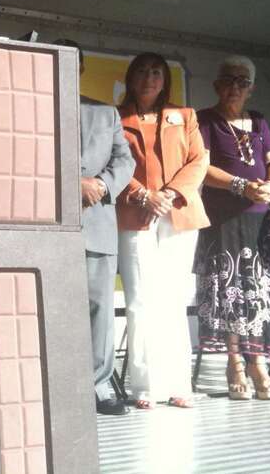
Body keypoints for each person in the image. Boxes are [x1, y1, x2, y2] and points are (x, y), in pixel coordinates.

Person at [116, 52, 209, 409]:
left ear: (165, 79)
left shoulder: (185, 116)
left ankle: (178, 384)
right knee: (141, 300)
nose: (150, 77)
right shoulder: (115, 116)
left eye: (157, 72)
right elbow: (110, 162)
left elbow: (199, 160)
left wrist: (169, 194)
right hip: (134, 215)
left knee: (172, 298)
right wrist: (142, 195)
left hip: (178, 214)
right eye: (142, 70)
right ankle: (145, 386)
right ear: (131, 77)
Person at [194, 55, 270, 400]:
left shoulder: (260, 121)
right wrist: (241, 186)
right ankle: (235, 364)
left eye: (243, 81)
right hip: (223, 222)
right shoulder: (204, 119)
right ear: (217, 84)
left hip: (260, 221)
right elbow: (201, 167)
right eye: (229, 80)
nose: (235, 87)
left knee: (260, 295)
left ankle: (258, 363)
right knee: (230, 295)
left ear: (251, 89)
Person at [54, 39, 135, 416]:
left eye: (74, 61)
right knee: (48, 307)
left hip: (97, 224)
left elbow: (125, 160)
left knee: (99, 309)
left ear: (82, 67)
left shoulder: (106, 114)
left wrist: (102, 185)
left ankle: (98, 386)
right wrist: (71, 184)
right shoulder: (26, 105)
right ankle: (54, 387)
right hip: (46, 225)